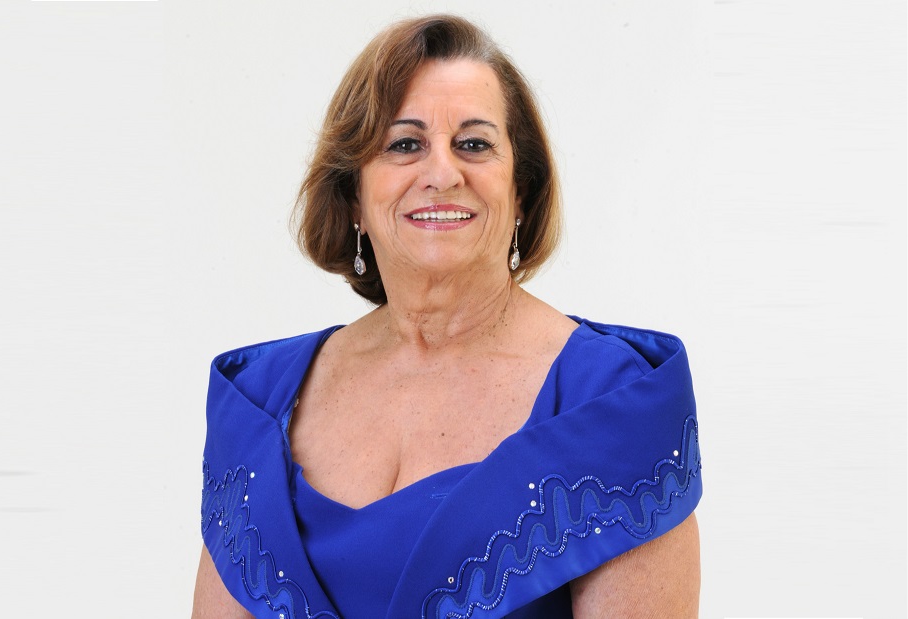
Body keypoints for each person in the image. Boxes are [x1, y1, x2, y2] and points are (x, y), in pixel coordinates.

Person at [192, 14, 701, 619]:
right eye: (404, 145)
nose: (441, 174)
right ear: (354, 197)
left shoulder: (616, 403)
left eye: (474, 144)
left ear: (521, 191)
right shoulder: (257, 402)